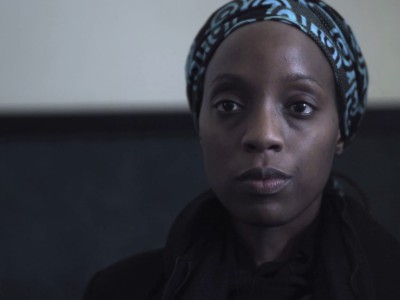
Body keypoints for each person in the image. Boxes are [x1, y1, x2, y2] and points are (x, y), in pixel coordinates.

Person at [84, 1, 400, 299]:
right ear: (200, 125)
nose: (263, 135)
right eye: (229, 105)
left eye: (300, 106)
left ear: (340, 131)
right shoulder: (119, 290)